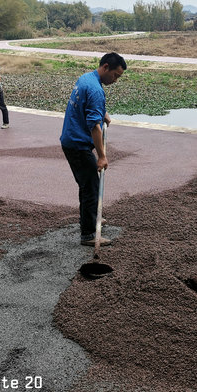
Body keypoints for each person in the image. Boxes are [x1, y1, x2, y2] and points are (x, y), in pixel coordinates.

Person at [60, 52, 127, 246]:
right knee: (91, 187)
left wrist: (102, 111)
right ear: (106, 67)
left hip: (70, 140)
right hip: (78, 144)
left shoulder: (86, 78)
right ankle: (88, 234)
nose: (115, 80)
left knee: (87, 184)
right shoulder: (96, 89)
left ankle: (90, 217)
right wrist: (102, 156)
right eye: (115, 75)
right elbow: (94, 127)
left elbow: (88, 105)